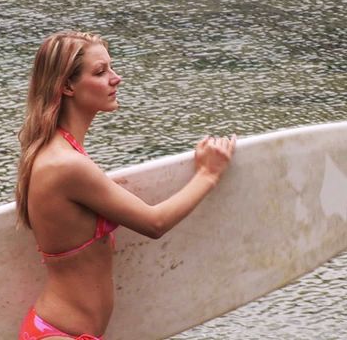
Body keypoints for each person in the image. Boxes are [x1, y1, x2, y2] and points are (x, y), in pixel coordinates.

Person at [15, 31, 236, 340]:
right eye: (100, 71)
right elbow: (154, 223)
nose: (115, 78)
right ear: (67, 86)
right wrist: (208, 175)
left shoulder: (62, 153)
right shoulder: (66, 165)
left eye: (111, 67)